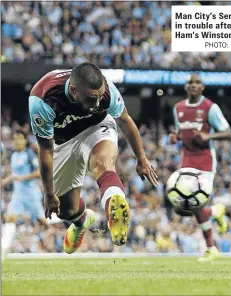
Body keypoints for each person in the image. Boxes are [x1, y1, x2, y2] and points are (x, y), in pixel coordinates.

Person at [28, 62, 159, 254]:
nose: (97, 104)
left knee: (103, 164)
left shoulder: (106, 90)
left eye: (99, 97)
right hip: (64, 141)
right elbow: (46, 149)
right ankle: (82, 220)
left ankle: (115, 206)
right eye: (91, 99)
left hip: (97, 127)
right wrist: (49, 194)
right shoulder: (43, 99)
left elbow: (124, 119)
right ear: (73, 90)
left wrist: (141, 159)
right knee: (66, 211)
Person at [169, 73, 231, 262]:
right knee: (184, 207)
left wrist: (209, 137)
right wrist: (175, 138)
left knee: (197, 205)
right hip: (186, 161)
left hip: (205, 161)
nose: (194, 85)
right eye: (191, 82)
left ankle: (211, 248)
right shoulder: (178, 108)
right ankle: (216, 211)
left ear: (202, 87)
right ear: (186, 86)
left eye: (197, 83)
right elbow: (180, 133)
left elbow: (228, 133)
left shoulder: (210, 108)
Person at [1, 131, 47, 259]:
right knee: (11, 218)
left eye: (20, 139)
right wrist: (5, 181)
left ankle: (57, 239)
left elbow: (38, 172)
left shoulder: (29, 154)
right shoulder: (14, 155)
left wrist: (23, 178)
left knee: (43, 221)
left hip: (31, 194)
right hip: (18, 194)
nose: (17, 142)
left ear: (25, 141)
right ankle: (3, 248)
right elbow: (15, 174)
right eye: (15, 139)